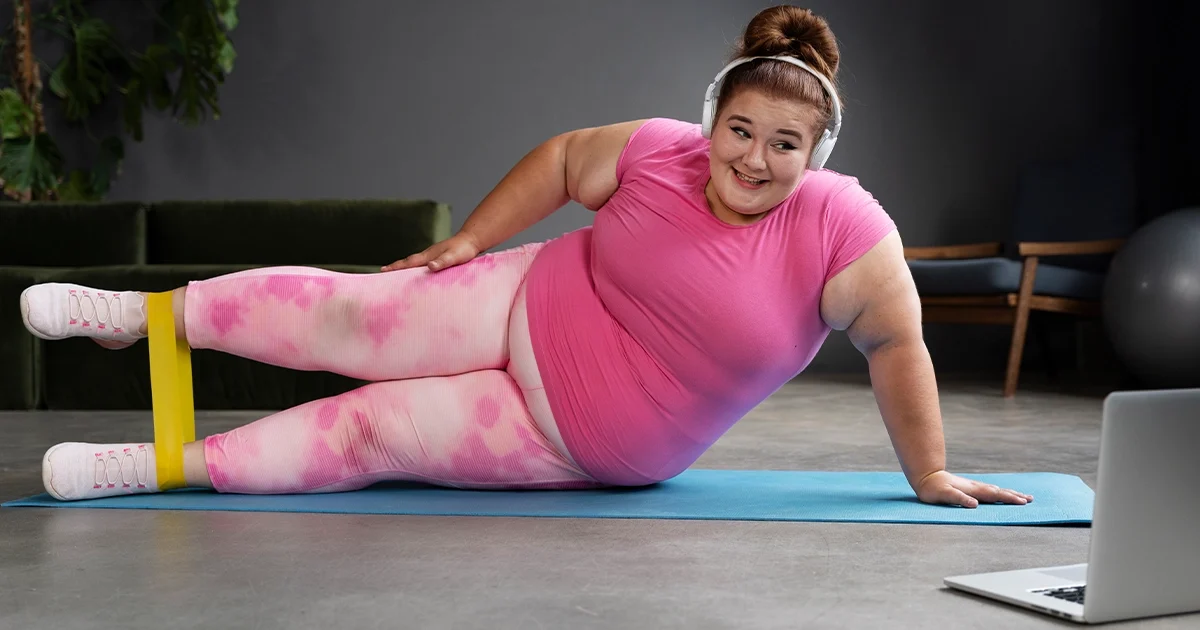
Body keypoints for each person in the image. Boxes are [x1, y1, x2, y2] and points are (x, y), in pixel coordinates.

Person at [21, 5, 1031, 509]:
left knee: (372, 429)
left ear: (817, 156)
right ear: (713, 118)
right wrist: (469, 241)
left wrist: (930, 469)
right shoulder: (658, 149)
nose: (755, 159)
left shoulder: (842, 229)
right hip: (528, 296)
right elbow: (558, 161)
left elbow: (899, 346)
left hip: (580, 431)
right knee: (351, 314)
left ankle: (153, 468)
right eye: (742, 129)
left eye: (785, 144)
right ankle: (139, 317)